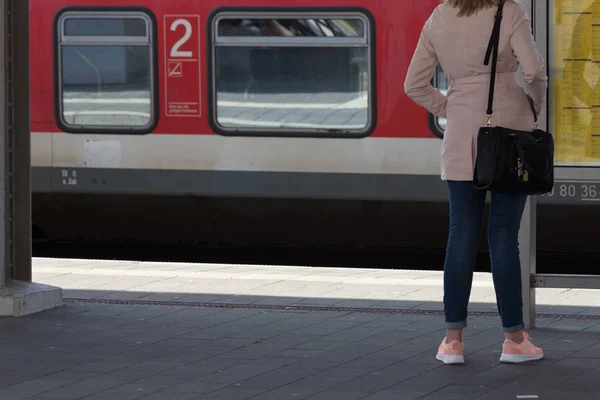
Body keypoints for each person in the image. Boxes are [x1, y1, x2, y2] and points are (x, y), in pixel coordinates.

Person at [404, 0, 547, 365]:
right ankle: (514, 340)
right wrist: (535, 105)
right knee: (503, 235)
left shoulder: (440, 15)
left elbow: (413, 85)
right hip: (511, 128)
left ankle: (452, 342)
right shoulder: (509, 10)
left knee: (461, 233)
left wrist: (449, 108)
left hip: (462, 131)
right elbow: (533, 72)